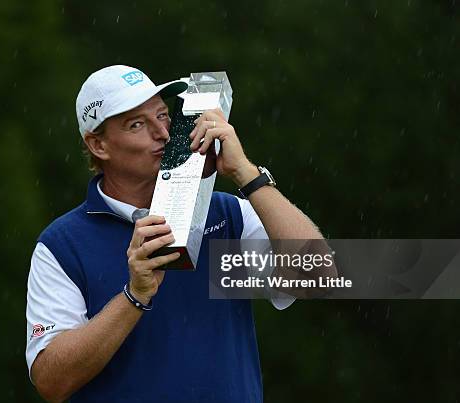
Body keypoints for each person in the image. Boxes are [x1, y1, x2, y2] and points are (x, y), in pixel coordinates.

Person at [25, 65, 324, 403]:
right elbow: (52, 380)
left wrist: (246, 174)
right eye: (137, 124)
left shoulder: (224, 215)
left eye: (163, 116)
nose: (163, 134)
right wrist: (135, 295)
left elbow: (315, 276)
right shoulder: (63, 244)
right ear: (98, 145)